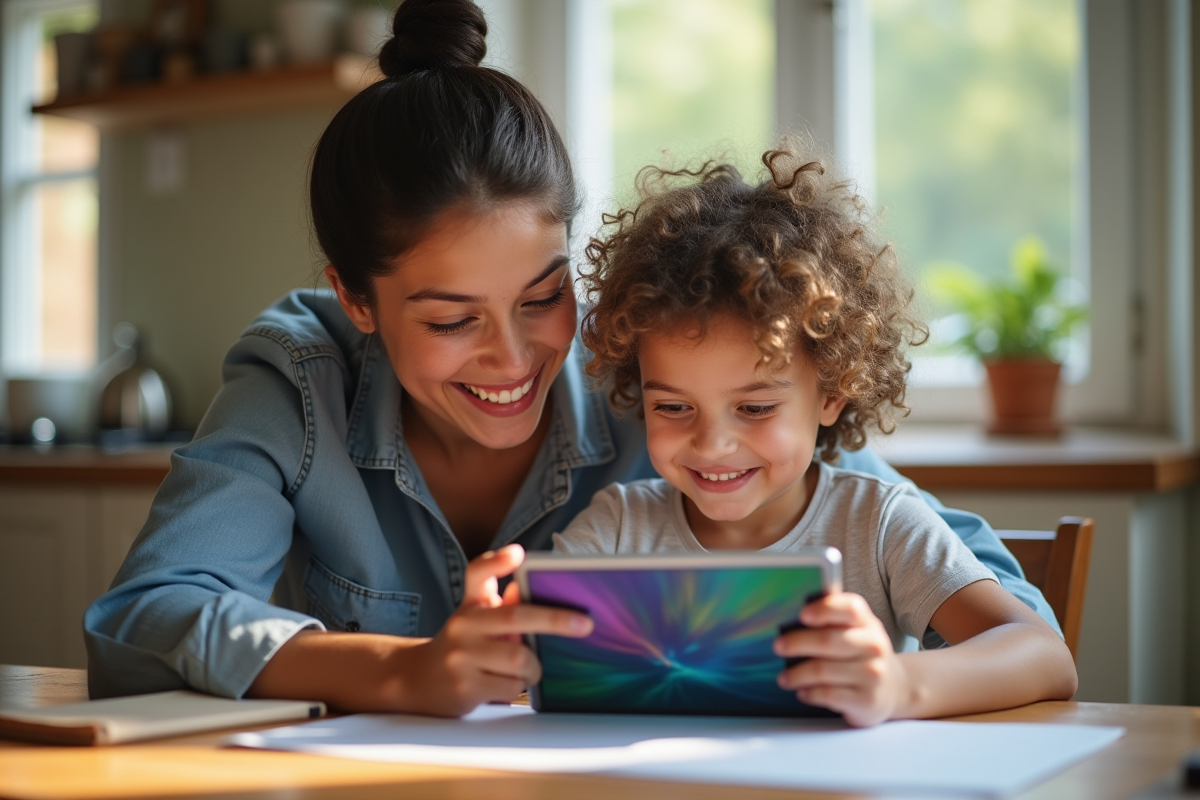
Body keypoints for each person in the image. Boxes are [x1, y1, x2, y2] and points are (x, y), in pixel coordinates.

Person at [84, 0, 1059, 718]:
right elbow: (142, 622)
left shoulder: (662, 362)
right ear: (357, 299)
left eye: (544, 293)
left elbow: (957, 578)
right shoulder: (301, 376)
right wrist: (399, 670)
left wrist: (900, 676)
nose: (515, 356)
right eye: (452, 316)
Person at [553, 148, 1078, 726]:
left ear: (831, 394)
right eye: (674, 406)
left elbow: (1045, 657)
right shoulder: (618, 527)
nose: (712, 443)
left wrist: (896, 684)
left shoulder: (879, 525)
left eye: (754, 407)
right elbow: (535, 657)